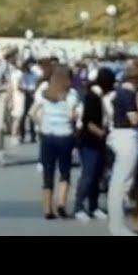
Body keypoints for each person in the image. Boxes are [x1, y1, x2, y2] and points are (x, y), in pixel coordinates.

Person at [29, 64, 80, 219]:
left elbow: (32, 113)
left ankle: (47, 209)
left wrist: (41, 123)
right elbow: (72, 116)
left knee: (48, 173)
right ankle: (61, 204)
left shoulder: (45, 93)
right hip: (65, 136)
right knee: (65, 171)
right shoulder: (71, 94)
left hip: (47, 135)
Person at [104, 63, 138, 236]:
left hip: (120, 135)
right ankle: (117, 225)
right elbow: (134, 119)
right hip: (126, 136)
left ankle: (116, 224)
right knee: (122, 183)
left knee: (120, 182)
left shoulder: (119, 92)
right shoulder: (128, 94)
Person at [74, 68, 115, 223]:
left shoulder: (98, 96)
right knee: (88, 174)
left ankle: (94, 206)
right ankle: (79, 207)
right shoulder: (92, 97)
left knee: (97, 174)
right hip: (89, 141)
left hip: (97, 141)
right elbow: (88, 122)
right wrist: (103, 134)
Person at [7, 53, 25, 147]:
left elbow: (10, 86)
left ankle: (15, 134)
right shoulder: (19, 73)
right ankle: (14, 135)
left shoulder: (13, 73)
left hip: (15, 95)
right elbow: (18, 86)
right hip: (19, 96)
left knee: (15, 117)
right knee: (18, 117)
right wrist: (25, 88)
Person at [19, 60, 38, 144]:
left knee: (31, 116)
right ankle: (22, 135)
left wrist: (34, 91)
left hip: (32, 95)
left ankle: (33, 136)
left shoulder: (34, 74)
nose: (30, 67)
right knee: (22, 117)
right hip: (25, 96)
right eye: (29, 65)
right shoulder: (23, 75)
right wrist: (26, 90)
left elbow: (36, 84)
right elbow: (20, 86)